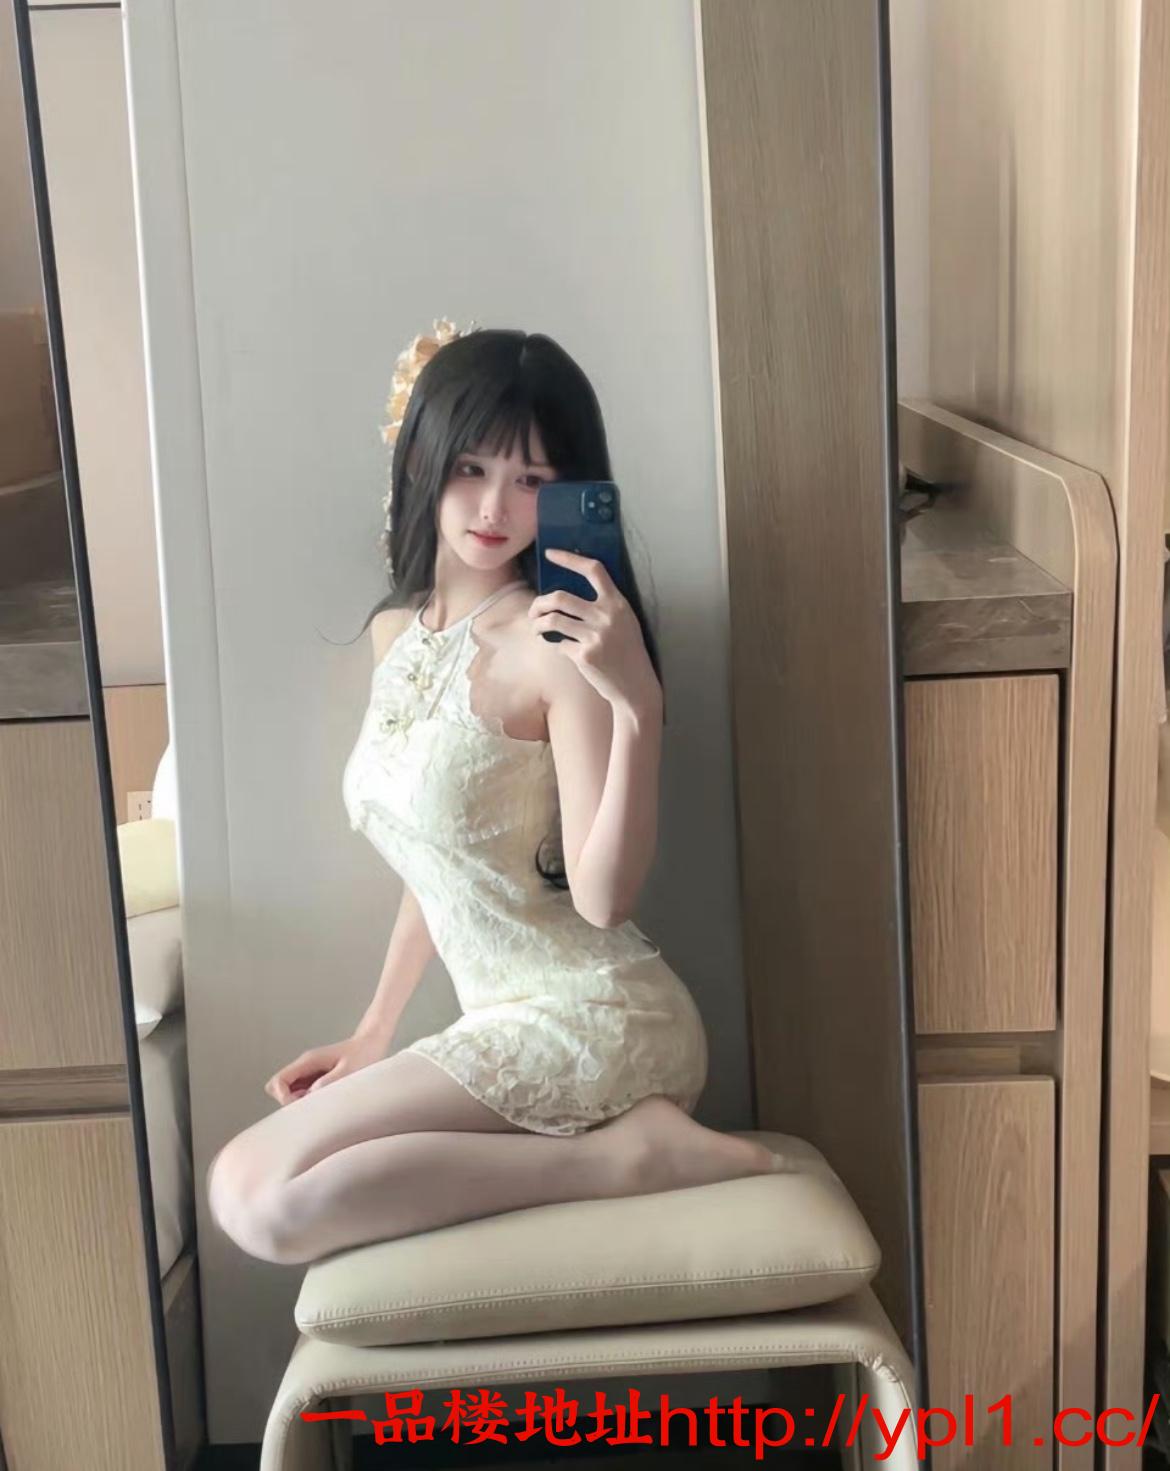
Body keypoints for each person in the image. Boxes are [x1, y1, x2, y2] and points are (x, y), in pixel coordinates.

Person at [207, 325, 784, 1267]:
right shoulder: (397, 636)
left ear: (564, 490)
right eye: (471, 467)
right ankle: (622, 1154)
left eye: (529, 478)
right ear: (422, 461)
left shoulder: (555, 645)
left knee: (260, 1195)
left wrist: (636, 704)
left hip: (596, 1014)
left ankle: (626, 1159)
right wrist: (373, 1032)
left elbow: (604, 900)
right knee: (252, 1189)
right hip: (501, 1024)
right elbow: (439, 858)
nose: (492, 506)